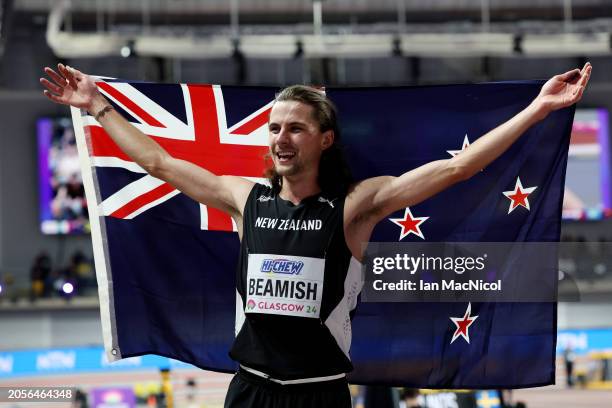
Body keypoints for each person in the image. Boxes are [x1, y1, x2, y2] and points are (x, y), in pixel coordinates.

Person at [40, 62, 591, 408]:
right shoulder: (243, 196)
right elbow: (158, 161)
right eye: (275, 127)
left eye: (295, 127)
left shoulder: (355, 205)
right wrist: (97, 108)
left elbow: (458, 169)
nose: (281, 137)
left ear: (324, 139)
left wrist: (537, 110)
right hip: (249, 389)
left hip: (318, 395)